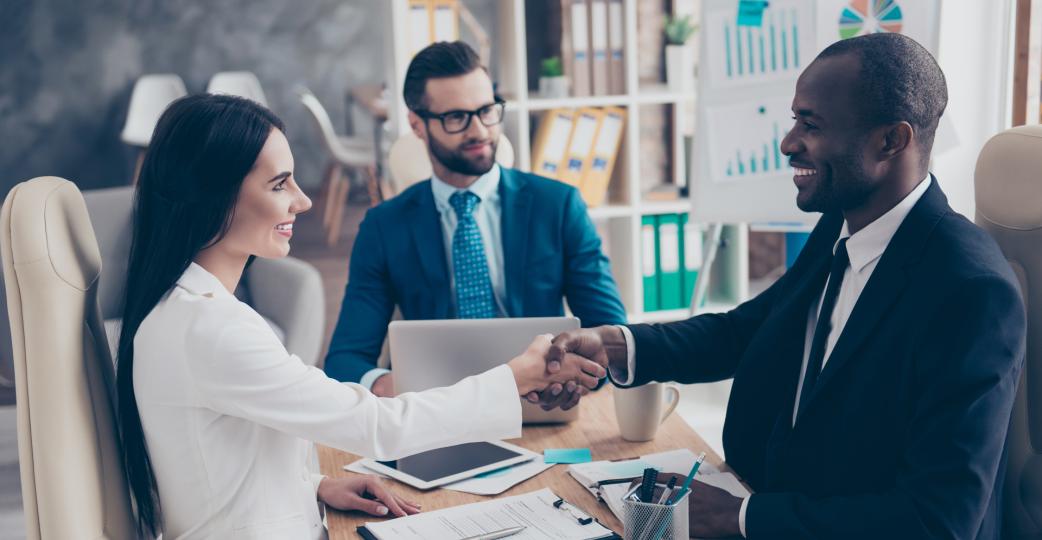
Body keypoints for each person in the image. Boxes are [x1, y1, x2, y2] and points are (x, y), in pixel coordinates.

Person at [539, 33, 1026, 539]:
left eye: (810, 124)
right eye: (795, 118)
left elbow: (937, 522)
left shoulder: (970, 292)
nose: (789, 142)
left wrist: (739, 518)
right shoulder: (843, 220)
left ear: (891, 140)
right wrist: (616, 344)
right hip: (771, 501)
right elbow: (748, 331)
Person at [115, 94, 605, 539]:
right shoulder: (211, 330)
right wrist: (513, 378)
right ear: (214, 195)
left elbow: (216, 461)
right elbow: (380, 426)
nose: (303, 201)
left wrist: (315, 485)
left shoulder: (184, 311)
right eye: (280, 183)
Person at [323, 41, 627, 397]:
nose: (480, 130)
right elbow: (345, 359)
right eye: (456, 117)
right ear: (417, 125)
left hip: (544, 398)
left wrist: (580, 375)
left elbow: (613, 335)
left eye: (487, 110)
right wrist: (391, 386)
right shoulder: (384, 226)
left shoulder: (559, 206)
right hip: (435, 407)